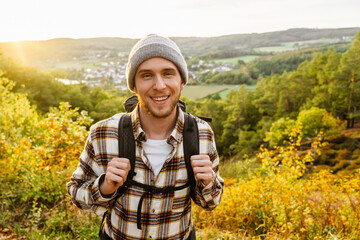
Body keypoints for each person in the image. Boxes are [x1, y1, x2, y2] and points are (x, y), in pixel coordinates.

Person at [67, 34, 224, 240]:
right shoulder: (104, 133)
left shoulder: (201, 134)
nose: (159, 85)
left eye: (168, 73)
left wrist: (208, 183)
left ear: (182, 81)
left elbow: (210, 203)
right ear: (133, 86)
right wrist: (104, 188)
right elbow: (76, 192)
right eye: (147, 75)